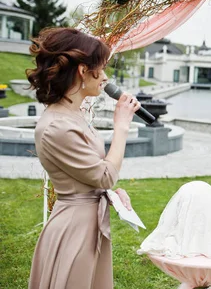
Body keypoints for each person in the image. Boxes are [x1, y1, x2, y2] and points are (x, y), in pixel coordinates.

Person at [27, 27, 141, 289]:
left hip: (88, 222)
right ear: (82, 70)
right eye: (100, 67)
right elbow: (104, 175)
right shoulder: (57, 126)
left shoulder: (73, 116)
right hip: (73, 231)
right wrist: (121, 126)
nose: (105, 77)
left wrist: (111, 196)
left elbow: (92, 176)